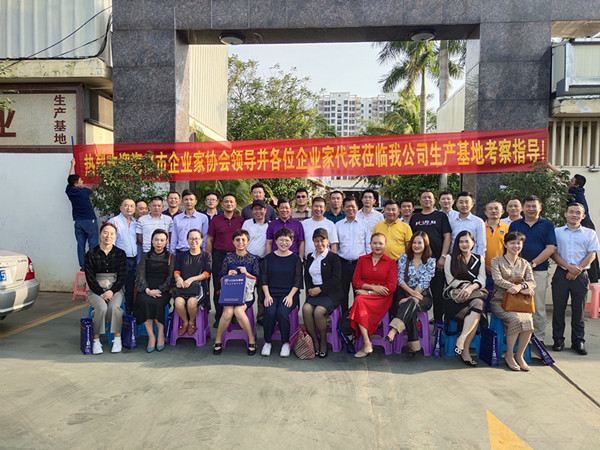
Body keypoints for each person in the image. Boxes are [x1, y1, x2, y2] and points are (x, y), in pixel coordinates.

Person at [550, 203, 599, 355]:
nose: (574, 215)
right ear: (565, 214)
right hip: (561, 273)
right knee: (558, 309)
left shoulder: (590, 233)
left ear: (583, 216)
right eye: (571, 212)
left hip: (581, 275)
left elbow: (592, 254)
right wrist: (568, 267)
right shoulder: (557, 232)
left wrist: (577, 270)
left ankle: (578, 341)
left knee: (578, 311)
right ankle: (558, 340)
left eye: (578, 213)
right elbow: (553, 253)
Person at [509, 195, 557, 343]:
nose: (531, 209)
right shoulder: (515, 224)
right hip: (517, 272)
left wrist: (532, 264)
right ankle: (518, 336)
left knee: (538, 305)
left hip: (538, 271)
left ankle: (538, 339)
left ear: (540, 208)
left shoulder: (547, 225)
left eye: (534, 206)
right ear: (523, 208)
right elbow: (510, 246)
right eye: (528, 206)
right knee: (516, 304)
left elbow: (550, 249)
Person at [490, 231, 536, 371]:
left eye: (519, 243)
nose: (516, 246)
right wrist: (516, 288)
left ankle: (519, 355)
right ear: (505, 244)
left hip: (520, 304)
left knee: (528, 321)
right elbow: (497, 280)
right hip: (500, 302)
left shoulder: (524, 263)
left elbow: (532, 281)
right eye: (512, 243)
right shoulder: (496, 261)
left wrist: (522, 287)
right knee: (516, 320)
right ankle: (509, 355)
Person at [386, 232, 435, 358]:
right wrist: (411, 295)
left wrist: (411, 297)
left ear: (425, 245)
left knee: (411, 302)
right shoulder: (404, 258)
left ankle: (393, 330)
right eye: (414, 242)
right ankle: (413, 346)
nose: (416, 245)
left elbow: (425, 282)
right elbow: (400, 279)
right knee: (411, 305)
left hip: (423, 296)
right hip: (405, 293)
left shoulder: (430, 261)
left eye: (420, 243)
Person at [349, 232, 398, 358]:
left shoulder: (391, 262)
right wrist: (372, 287)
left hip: (383, 298)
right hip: (366, 295)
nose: (377, 246)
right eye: (375, 243)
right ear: (370, 244)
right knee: (359, 300)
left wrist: (370, 292)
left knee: (359, 300)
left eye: (380, 243)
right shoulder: (362, 259)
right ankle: (367, 342)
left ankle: (366, 344)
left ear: (385, 245)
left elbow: (391, 287)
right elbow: (356, 281)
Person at [213, 229, 261, 356]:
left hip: (246, 296)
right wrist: (227, 275)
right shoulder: (228, 257)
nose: (240, 242)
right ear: (233, 242)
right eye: (237, 240)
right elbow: (220, 278)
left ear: (248, 241)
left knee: (239, 311)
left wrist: (247, 274)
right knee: (228, 312)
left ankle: (251, 338)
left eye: (243, 240)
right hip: (230, 294)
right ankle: (218, 338)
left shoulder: (253, 259)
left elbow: (258, 280)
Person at [444, 230, 486, 367]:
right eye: (461, 242)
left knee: (477, 304)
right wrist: (465, 286)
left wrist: (471, 288)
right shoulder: (450, 258)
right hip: (455, 299)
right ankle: (465, 350)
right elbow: (450, 279)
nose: (464, 244)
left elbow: (482, 279)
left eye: (467, 241)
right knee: (476, 313)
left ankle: (462, 340)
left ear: (473, 243)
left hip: (472, 296)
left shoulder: (479, 259)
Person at [84, 222, 127, 355]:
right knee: (102, 308)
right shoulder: (91, 254)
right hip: (95, 288)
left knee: (114, 308)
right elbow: (90, 277)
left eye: (112, 233)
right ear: (100, 234)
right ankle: (96, 340)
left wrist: (111, 291)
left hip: (115, 288)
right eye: (105, 233)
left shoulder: (120, 253)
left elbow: (122, 277)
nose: (108, 236)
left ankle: (117, 339)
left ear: (115, 236)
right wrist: (101, 293)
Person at [409, 190, 451, 323]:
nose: (427, 199)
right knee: (417, 292)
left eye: (429, 197)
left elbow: (447, 236)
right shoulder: (415, 218)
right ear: (420, 201)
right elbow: (411, 240)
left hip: (437, 261)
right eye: (424, 197)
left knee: (438, 294)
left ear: (434, 201)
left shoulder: (441, 216)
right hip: (419, 262)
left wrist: (443, 257)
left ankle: (438, 321)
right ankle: (415, 322)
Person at [261, 228, 303, 357]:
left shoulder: (295, 259)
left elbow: (298, 280)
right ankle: (267, 342)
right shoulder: (269, 258)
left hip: (289, 294)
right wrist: (267, 295)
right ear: (275, 241)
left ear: (292, 241)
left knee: (282, 313)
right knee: (269, 312)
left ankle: (286, 343)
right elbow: (264, 278)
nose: (284, 243)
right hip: (271, 293)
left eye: (287, 240)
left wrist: (290, 296)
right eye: (281, 240)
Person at [303, 228, 343, 358]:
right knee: (306, 309)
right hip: (314, 293)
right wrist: (310, 290)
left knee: (318, 312)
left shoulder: (333, 257)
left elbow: (336, 279)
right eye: (316, 241)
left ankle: (323, 342)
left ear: (328, 241)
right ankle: (314, 340)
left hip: (330, 293)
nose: (319, 244)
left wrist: (320, 289)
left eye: (322, 241)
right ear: (313, 242)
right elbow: (307, 276)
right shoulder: (310, 257)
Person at [206, 193, 245, 324]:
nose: (229, 204)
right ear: (222, 204)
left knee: (235, 285)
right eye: (226, 202)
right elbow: (209, 240)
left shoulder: (240, 220)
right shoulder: (215, 220)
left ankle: (234, 316)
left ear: (235, 204)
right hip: (219, 255)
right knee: (219, 286)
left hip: (236, 256)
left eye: (231, 202)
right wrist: (209, 258)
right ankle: (219, 316)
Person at [134, 229, 175, 353]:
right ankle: (151, 336)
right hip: (146, 288)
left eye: (162, 240)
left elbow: (170, 277)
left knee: (157, 303)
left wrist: (160, 289)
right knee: (144, 301)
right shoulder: (146, 256)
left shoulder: (170, 257)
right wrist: (147, 290)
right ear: (152, 241)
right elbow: (140, 274)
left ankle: (160, 333)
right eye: (156, 240)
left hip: (162, 290)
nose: (159, 243)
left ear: (166, 241)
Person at [173, 229, 212, 337]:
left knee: (191, 302)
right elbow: (176, 271)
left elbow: (207, 273)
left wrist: (191, 279)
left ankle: (192, 322)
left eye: (196, 238)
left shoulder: (206, 256)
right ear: (187, 240)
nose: (194, 241)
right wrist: (179, 279)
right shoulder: (181, 256)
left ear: (201, 240)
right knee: (178, 302)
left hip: (198, 289)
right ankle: (185, 322)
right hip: (183, 287)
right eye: (191, 238)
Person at [336, 197, 370, 314]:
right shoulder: (338, 225)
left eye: (353, 206)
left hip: (359, 264)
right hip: (343, 264)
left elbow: (368, 245)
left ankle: (356, 319)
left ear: (357, 208)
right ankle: (343, 319)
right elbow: (336, 246)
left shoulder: (365, 224)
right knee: (342, 294)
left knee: (359, 294)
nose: (350, 209)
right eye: (347, 206)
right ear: (343, 208)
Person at [66, 158, 98, 270]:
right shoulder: (84, 191)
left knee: (81, 244)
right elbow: (94, 191)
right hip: (89, 221)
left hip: (78, 222)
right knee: (93, 243)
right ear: (76, 184)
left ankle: (83, 265)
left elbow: (70, 179)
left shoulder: (69, 191)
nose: (82, 181)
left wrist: (72, 165)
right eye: (80, 180)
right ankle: (92, 265)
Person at [108, 198, 138, 314]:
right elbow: (110, 243)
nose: (129, 208)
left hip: (133, 260)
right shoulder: (114, 221)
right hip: (120, 260)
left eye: (132, 206)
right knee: (118, 286)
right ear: (121, 208)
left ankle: (128, 313)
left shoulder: (136, 223)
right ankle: (115, 312)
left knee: (130, 288)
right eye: (126, 205)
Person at [242, 200, 269, 323]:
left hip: (263, 260)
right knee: (247, 288)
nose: (258, 211)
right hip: (248, 261)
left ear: (265, 210)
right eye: (255, 209)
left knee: (262, 289)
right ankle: (243, 315)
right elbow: (243, 240)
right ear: (252, 211)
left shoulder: (270, 225)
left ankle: (261, 316)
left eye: (261, 209)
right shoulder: (247, 224)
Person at [484, 201, 509, 308]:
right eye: (490, 209)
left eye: (496, 208)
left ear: (502, 212)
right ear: (486, 212)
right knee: (485, 299)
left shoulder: (507, 228)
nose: (493, 211)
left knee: (500, 301)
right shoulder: (480, 227)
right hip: (483, 269)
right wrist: (484, 266)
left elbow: (510, 250)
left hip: (502, 270)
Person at [171, 189, 209, 253]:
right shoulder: (177, 218)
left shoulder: (203, 218)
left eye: (191, 199)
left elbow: (205, 238)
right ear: (182, 201)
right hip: (181, 252)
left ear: (195, 201)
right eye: (186, 199)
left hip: (197, 252)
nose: (189, 202)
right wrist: (172, 253)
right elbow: (174, 238)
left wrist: (204, 252)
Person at [449, 191, 486, 257]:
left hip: (471, 258)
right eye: (461, 202)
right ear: (457, 204)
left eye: (466, 202)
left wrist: (480, 259)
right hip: (454, 257)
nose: (464, 205)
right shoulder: (451, 221)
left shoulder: (478, 222)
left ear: (472, 204)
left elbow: (481, 244)